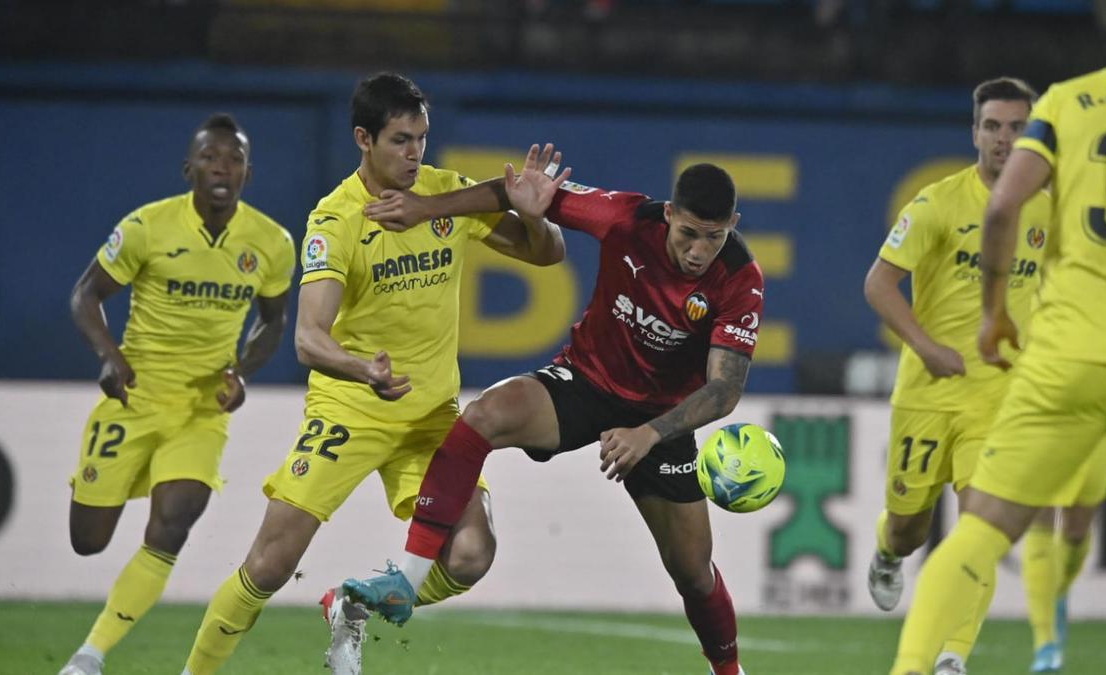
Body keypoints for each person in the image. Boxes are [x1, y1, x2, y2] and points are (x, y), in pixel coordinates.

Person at [178, 72, 569, 675]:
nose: (415, 153)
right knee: (269, 565)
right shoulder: (336, 221)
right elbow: (309, 338)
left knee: (470, 554)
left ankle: (353, 605)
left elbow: (546, 253)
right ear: (364, 138)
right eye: (400, 140)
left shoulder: (445, 197)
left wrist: (537, 217)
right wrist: (363, 369)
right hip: (351, 410)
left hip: (432, 416)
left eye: (421, 138)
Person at [346, 162, 765, 675]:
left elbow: (724, 389)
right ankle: (407, 578)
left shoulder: (740, 279)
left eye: (715, 238)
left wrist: (649, 434)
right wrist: (425, 208)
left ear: (735, 225)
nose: (699, 251)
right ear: (669, 214)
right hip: (585, 382)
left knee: (693, 572)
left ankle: (729, 671)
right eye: (689, 234)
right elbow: (517, 191)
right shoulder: (625, 218)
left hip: (661, 418)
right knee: (485, 414)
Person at [890, 3, 1106, 673]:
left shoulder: (1071, 100)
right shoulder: (939, 202)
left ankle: (918, 665)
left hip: (1066, 355)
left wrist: (993, 312)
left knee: (980, 528)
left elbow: (1004, 205)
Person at [59, 113, 296, 675]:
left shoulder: (271, 243)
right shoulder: (147, 227)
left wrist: (242, 372)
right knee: (87, 540)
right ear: (189, 169)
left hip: (200, 409)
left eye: (234, 159)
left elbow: (273, 322)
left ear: (248, 172)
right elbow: (84, 295)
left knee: (174, 523)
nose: (223, 167)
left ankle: (89, 657)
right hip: (134, 399)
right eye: (211, 157)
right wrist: (109, 356)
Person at [863, 77, 1049, 675]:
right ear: (975, 133)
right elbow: (879, 283)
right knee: (909, 526)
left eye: (1017, 127)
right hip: (928, 391)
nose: (1004, 138)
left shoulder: (1055, 206)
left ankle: (951, 657)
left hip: (1001, 394)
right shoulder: (938, 202)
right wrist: (925, 345)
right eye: (993, 126)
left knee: (980, 528)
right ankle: (888, 553)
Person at [1021, 440, 1106, 673]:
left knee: (1076, 532)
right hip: (1042, 419)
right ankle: (1045, 643)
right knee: (1040, 517)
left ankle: (1059, 590)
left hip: (1096, 422)